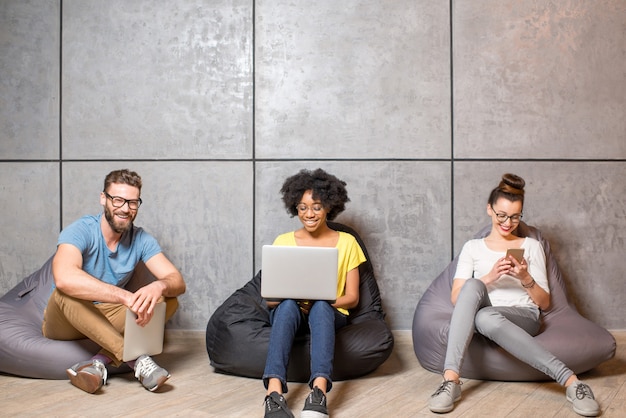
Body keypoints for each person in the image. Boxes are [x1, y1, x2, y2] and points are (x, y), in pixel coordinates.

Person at [428, 173, 600, 417]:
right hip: (483, 315)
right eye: (502, 215)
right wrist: (489, 277)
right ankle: (450, 381)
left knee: (484, 317)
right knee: (475, 293)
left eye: (515, 216)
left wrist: (525, 278)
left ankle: (573, 383)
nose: (508, 223)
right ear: (489, 210)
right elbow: (458, 298)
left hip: (524, 316)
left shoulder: (531, 245)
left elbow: (544, 303)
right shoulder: (472, 248)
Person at [42, 169, 186, 394]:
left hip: (107, 315)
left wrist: (159, 285)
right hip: (65, 319)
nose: (125, 209)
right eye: (118, 200)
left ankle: (97, 363)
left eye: (133, 202)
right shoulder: (81, 230)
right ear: (103, 198)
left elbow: (177, 281)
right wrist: (125, 296)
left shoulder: (141, 239)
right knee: (64, 292)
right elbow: (64, 277)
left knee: (168, 299)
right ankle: (137, 361)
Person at [262, 168, 366, 418]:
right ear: (294, 208)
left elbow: (352, 298)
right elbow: (271, 299)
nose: (309, 214)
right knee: (286, 304)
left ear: (329, 207)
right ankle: (273, 395)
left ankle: (318, 392)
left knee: (320, 306)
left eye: (316, 207)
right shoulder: (283, 241)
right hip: (290, 310)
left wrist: (322, 298)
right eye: (302, 207)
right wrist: (296, 297)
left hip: (329, 311)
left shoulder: (347, 242)